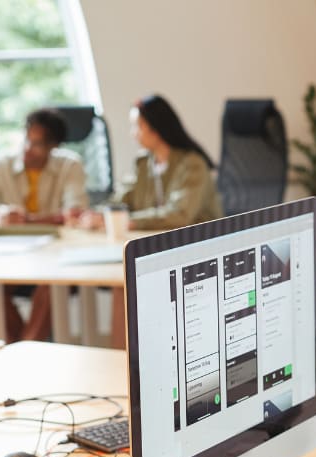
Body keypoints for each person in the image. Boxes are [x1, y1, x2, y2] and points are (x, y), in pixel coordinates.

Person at [80, 94, 222, 347]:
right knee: (121, 283)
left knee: (128, 282)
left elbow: (180, 215)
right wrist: (99, 215)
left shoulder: (192, 164)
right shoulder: (143, 163)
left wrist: (128, 222)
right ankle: (121, 364)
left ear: (156, 129)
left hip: (194, 251)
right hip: (156, 247)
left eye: (138, 126)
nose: (134, 134)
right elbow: (120, 200)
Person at [0, 108, 89, 342]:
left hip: (56, 264)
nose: (28, 149)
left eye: (38, 144)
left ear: (53, 147)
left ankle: (25, 353)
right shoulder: (4, 165)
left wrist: (28, 220)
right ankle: (22, 350)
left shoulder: (69, 166)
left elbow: (74, 214)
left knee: (52, 287)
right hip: (13, 261)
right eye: (27, 140)